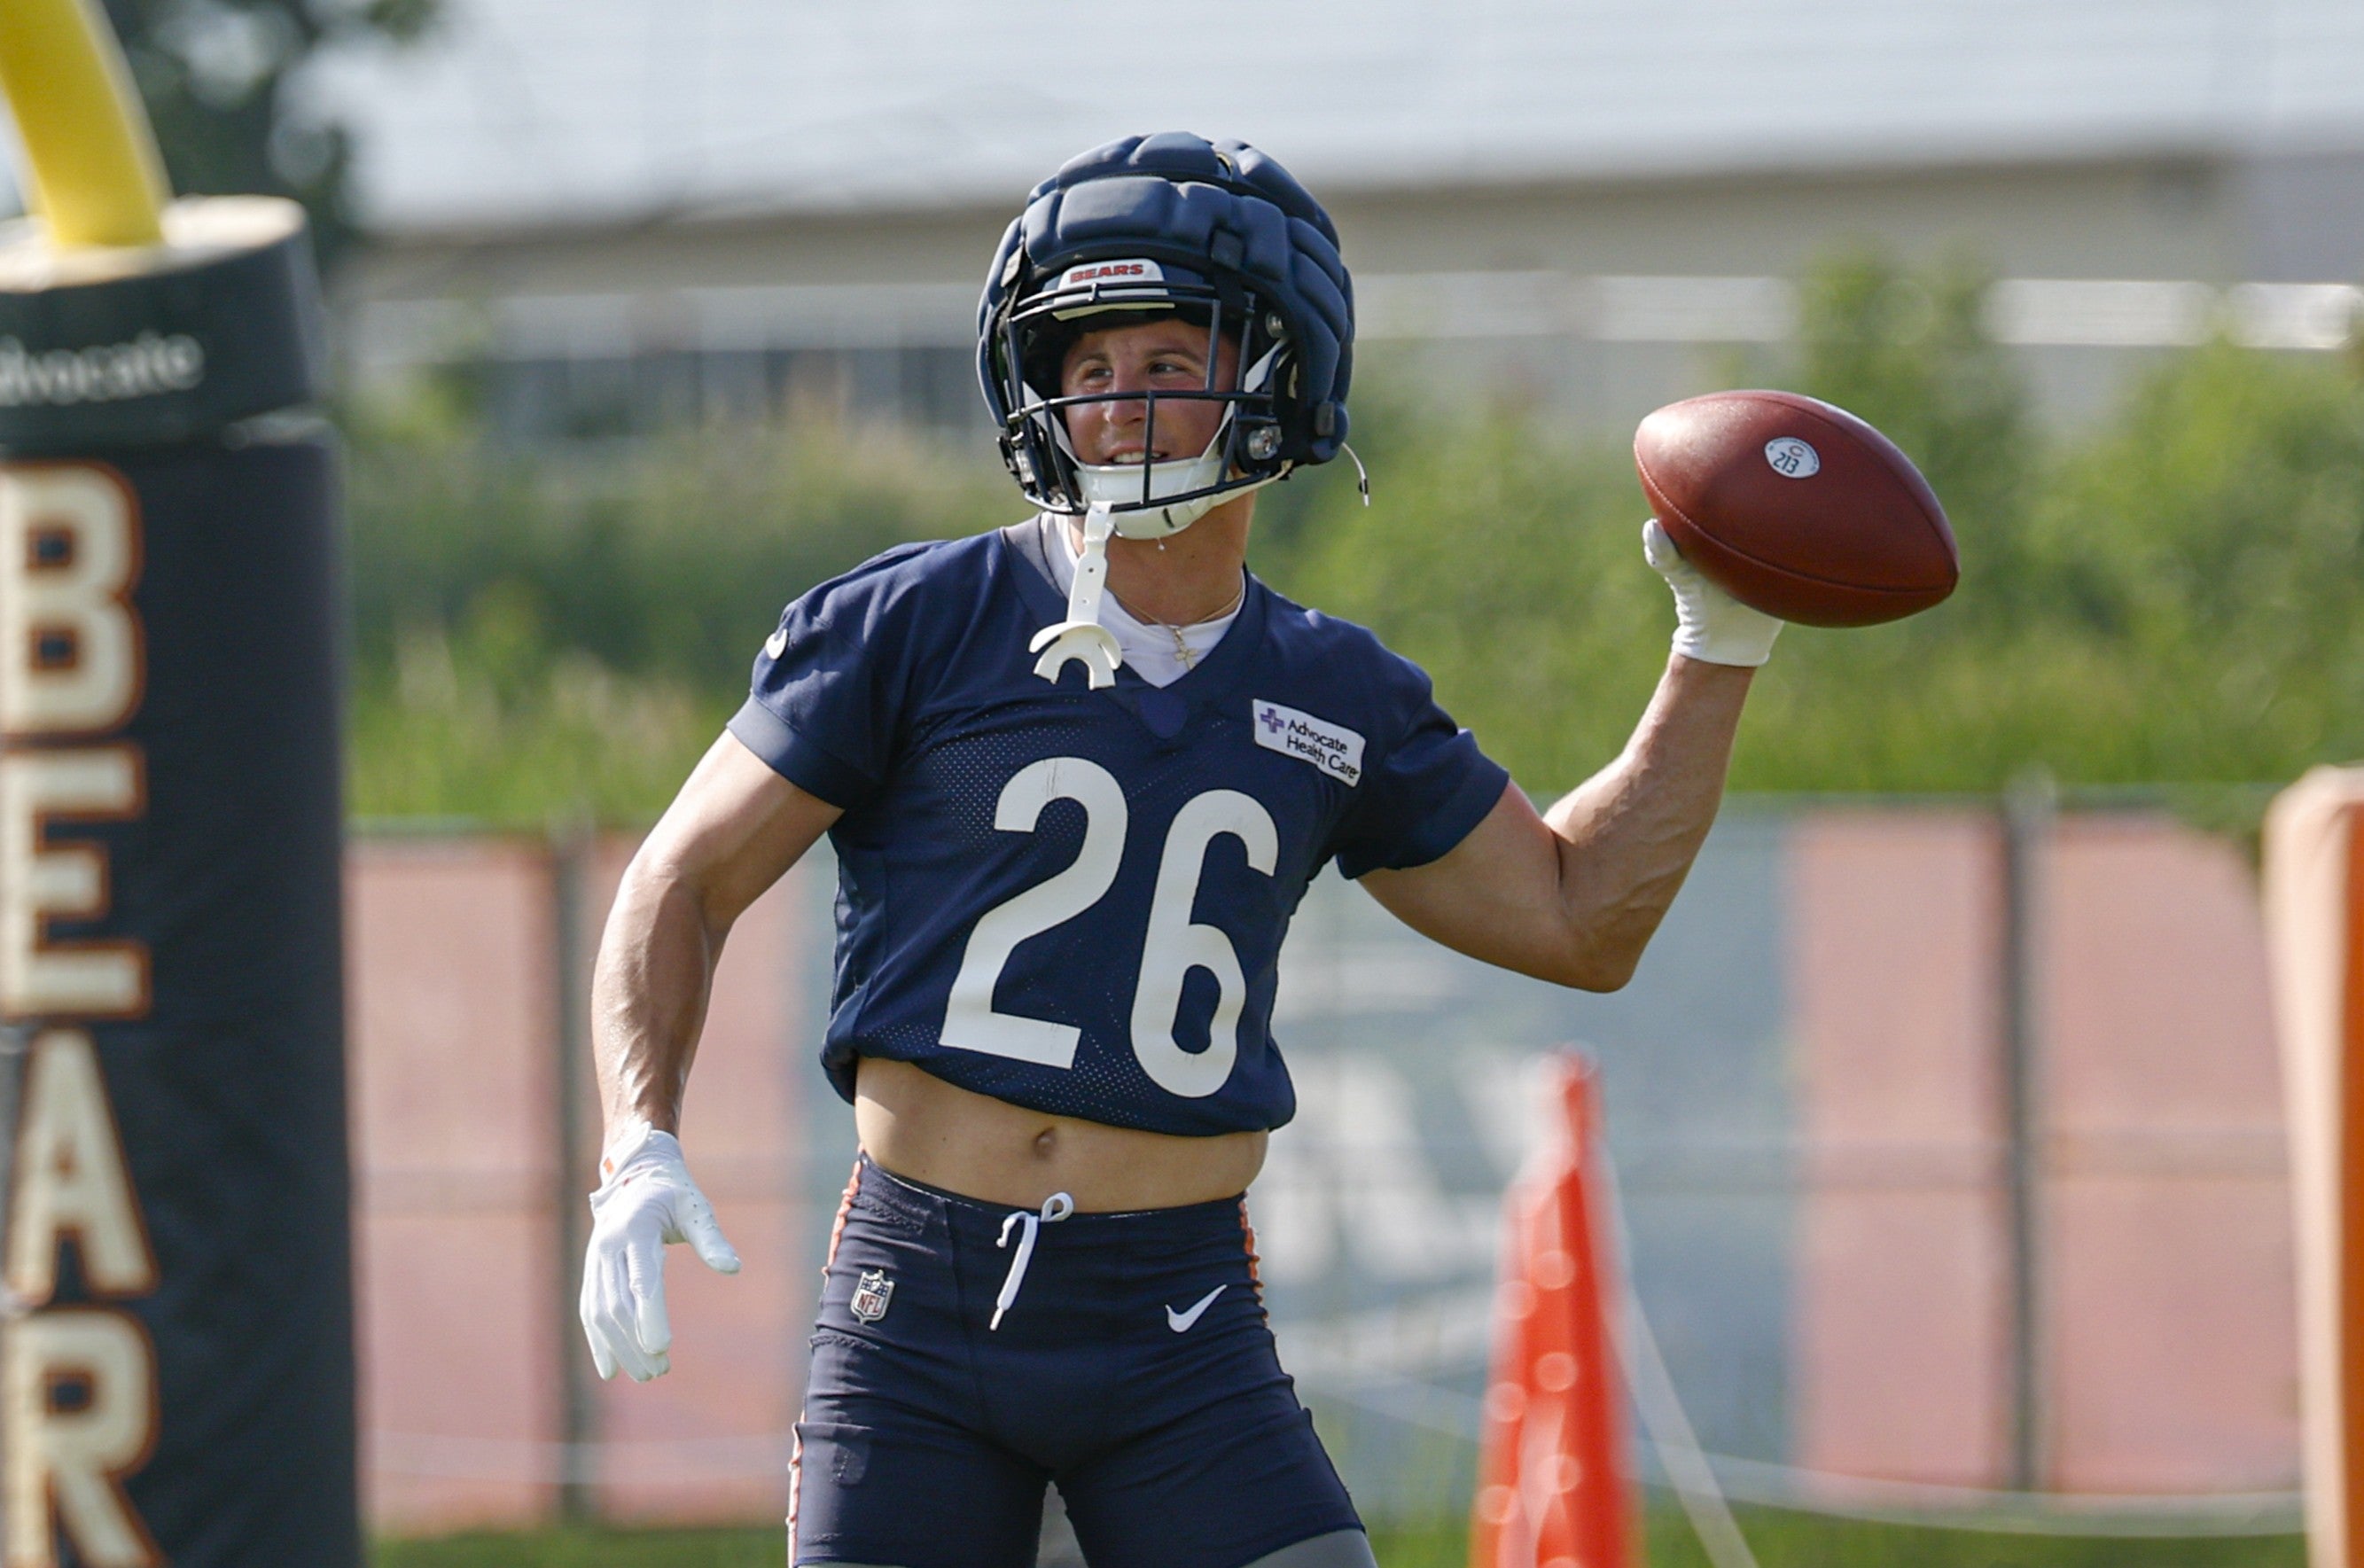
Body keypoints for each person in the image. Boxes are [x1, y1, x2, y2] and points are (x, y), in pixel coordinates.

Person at [576, 132, 1782, 1568]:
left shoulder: (1336, 691)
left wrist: (1721, 643)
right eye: (1085, 370)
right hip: (921, 1295)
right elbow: (682, 879)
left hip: (1178, 1315)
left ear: (1278, 373)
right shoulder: (917, 622)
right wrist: (637, 1138)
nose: (1118, 406)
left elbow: (1583, 917)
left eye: (1164, 361)